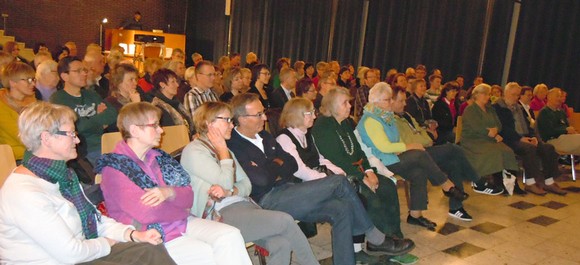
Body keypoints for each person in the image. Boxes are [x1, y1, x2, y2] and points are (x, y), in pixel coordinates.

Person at [227, 93, 415, 265]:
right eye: (258, 115)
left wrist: (273, 167)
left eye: (263, 113)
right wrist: (277, 165)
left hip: (290, 192)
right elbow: (260, 180)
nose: (265, 118)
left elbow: (290, 164)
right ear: (242, 119)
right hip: (268, 201)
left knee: (342, 208)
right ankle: (375, 237)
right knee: (340, 182)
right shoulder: (235, 144)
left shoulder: (265, 136)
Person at [0, 101, 175, 265]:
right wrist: (107, 243)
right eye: (71, 134)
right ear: (46, 138)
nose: (77, 140)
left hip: (78, 253)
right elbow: (70, 253)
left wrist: (133, 234)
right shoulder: (24, 193)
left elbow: (94, 219)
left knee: (148, 249)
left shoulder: (63, 176)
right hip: (53, 261)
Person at [95, 102, 252, 264]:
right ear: (134, 130)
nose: (161, 130)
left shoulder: (160, 159)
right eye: (154, 125)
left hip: (182, 222)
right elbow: (148, 214)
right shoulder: (115, 168)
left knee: (230, 236)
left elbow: (188, 198)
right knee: (209, 254)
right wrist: (179, 206)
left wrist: (168, 193)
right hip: (152, 234)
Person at [279, 97, 419, 265]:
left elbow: (321, 160)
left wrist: (341, 173)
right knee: (354, 195)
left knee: (359, 197)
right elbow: (300, 171)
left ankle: (358, 249)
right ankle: (376, 239)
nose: (314, 116)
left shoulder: (306, 134)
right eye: (310, 113)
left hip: (317, 184)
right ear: (296, 115)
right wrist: (330, 179)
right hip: (301, 189)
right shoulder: (285, 139)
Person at [181, 102, 319, 265]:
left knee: (281, 243)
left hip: (244, 206)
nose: (232, 125)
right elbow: (225, 180)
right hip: (219, 215)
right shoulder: (194, 151)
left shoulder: (228, 150)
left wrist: (230, 192)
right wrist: (223, 152)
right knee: (285, 221)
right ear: (209, 123)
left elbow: (246, 185)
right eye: (227, 120)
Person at [353, 84, 468, 229]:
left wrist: (402, 147)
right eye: (387, 100)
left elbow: (396, 141)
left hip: (392, 157)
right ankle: (446, 185)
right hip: (380, 162)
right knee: (419, 154)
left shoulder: (386, 118)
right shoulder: (371, 120)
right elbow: (384, 147)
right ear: (376, 102)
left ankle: (415, 215)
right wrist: (408, 147)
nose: (390, 102)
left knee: (418, 172)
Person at [391, 86, 500, 221]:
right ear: (391, 101)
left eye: (404, 100)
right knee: (453, 149)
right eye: (401, 101)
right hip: (413, 155)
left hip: (423, 151)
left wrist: (425, 137)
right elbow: (411, 141)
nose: (405, 104)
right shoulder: (391, 120)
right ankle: (478, 181)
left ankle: (456, 208)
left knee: (454, 163)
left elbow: (423, 134)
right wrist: (424, 138)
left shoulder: (406, 116)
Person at [493, 82, 566, 195]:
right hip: (509, 139)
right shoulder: (498, 107)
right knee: (529, 148)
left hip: (524, 137)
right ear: (506, 93)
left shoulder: (519, 108)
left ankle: (549, 181)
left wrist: (533, 137)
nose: (516, 97)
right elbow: (503, 128)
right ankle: (530, 183)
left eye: (517, 95)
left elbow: (528, 125)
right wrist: (520, 139)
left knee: (548, 148)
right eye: (513, 94)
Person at [50, 56, 117, 166]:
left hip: (104, 144)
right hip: (83, 150)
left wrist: (90, 122)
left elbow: (112, 113)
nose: (84, 74)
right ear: (64, 76)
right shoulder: (58, 99)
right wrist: (100, 123)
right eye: (78, 71)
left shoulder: (91, 94)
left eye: (84, 70)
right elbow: (77, 127)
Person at [460, 84, 522, 194]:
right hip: (473, 140)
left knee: (508, 151)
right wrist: (489, 132)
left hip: (489, 139)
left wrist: (495, 130)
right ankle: (488, 181)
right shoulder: (470, 109)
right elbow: (476, 127)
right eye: (484, 93)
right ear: (476, 95)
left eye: (488, 94)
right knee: (494, 152)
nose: (487, 96)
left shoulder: (490, 109)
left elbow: (498, 124)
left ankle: (511, 183)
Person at [0, 62, 37, 161]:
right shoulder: (1, 104)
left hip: (33, 154)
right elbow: (21, 136)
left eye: (33, 79)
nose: (33, 84)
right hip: (12, 159)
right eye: (28, 80)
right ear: (13, 83)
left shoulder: (32, 101)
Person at [150, 68, 194, 137]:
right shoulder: (158, 108)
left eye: (176, 81)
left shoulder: (177, 103)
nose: (177, 85)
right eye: (173, 82)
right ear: (162, 85)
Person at [537, 88, 580, 155]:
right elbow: (549, 132)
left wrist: (571, 131)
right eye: (557, 96)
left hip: (566, 138)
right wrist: (565, 130)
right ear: (549, 97)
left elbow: (567, 126)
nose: (559, 99)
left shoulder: (561, 112)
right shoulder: (544, 112)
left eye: (560, 96)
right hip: (553, 140)